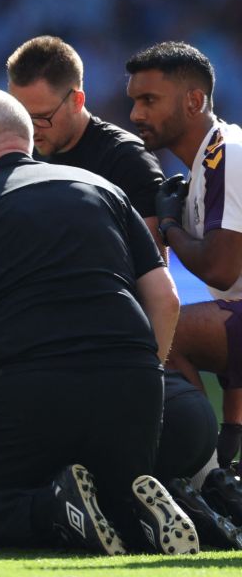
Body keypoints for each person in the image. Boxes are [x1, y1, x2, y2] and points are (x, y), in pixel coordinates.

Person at [0, 88, 192, 554]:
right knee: (114, 513)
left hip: (31, 383)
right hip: (132, 382)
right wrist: (142, 374)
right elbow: (166, 298)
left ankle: (52, 508)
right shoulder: (104, 189)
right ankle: (176, 504)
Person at [0, 263, 242, 549]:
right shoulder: (32, 310)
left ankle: (154, 513)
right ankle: (204, 502)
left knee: (44, 500)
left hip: (137, 436)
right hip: (189, 414)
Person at [125, 42, 242, 473]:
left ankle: (203, 472)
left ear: (194, 101)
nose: (136, 114)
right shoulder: (207, 165)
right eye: (134, 101)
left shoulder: (227, 154)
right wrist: (234, 426)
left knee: (159, 334)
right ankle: (215, 467)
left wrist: (170, 227)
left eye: (149, 100)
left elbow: (221, 269)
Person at [6, 35, 166, 256]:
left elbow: (153, 264)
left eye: (43, 116)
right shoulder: (16, 157)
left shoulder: (127, 160)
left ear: (77, 101)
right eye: (21, 115)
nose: (32, 129)